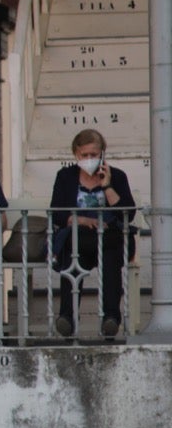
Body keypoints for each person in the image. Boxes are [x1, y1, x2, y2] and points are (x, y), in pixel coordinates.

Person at [48, 128, 135, 339]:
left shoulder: (117, 177)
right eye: (84, 155)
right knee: (71, 249)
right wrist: (81, 220)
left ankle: (110, 319)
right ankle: (67, 318)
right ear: (76, 154)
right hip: (79, 237)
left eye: (93, 155)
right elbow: (57, 213)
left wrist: (107, 186)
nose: (89, 159)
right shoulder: (65, 177)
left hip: (110, 237)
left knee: (110, 252)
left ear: (102, 154)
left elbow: (128, 214)